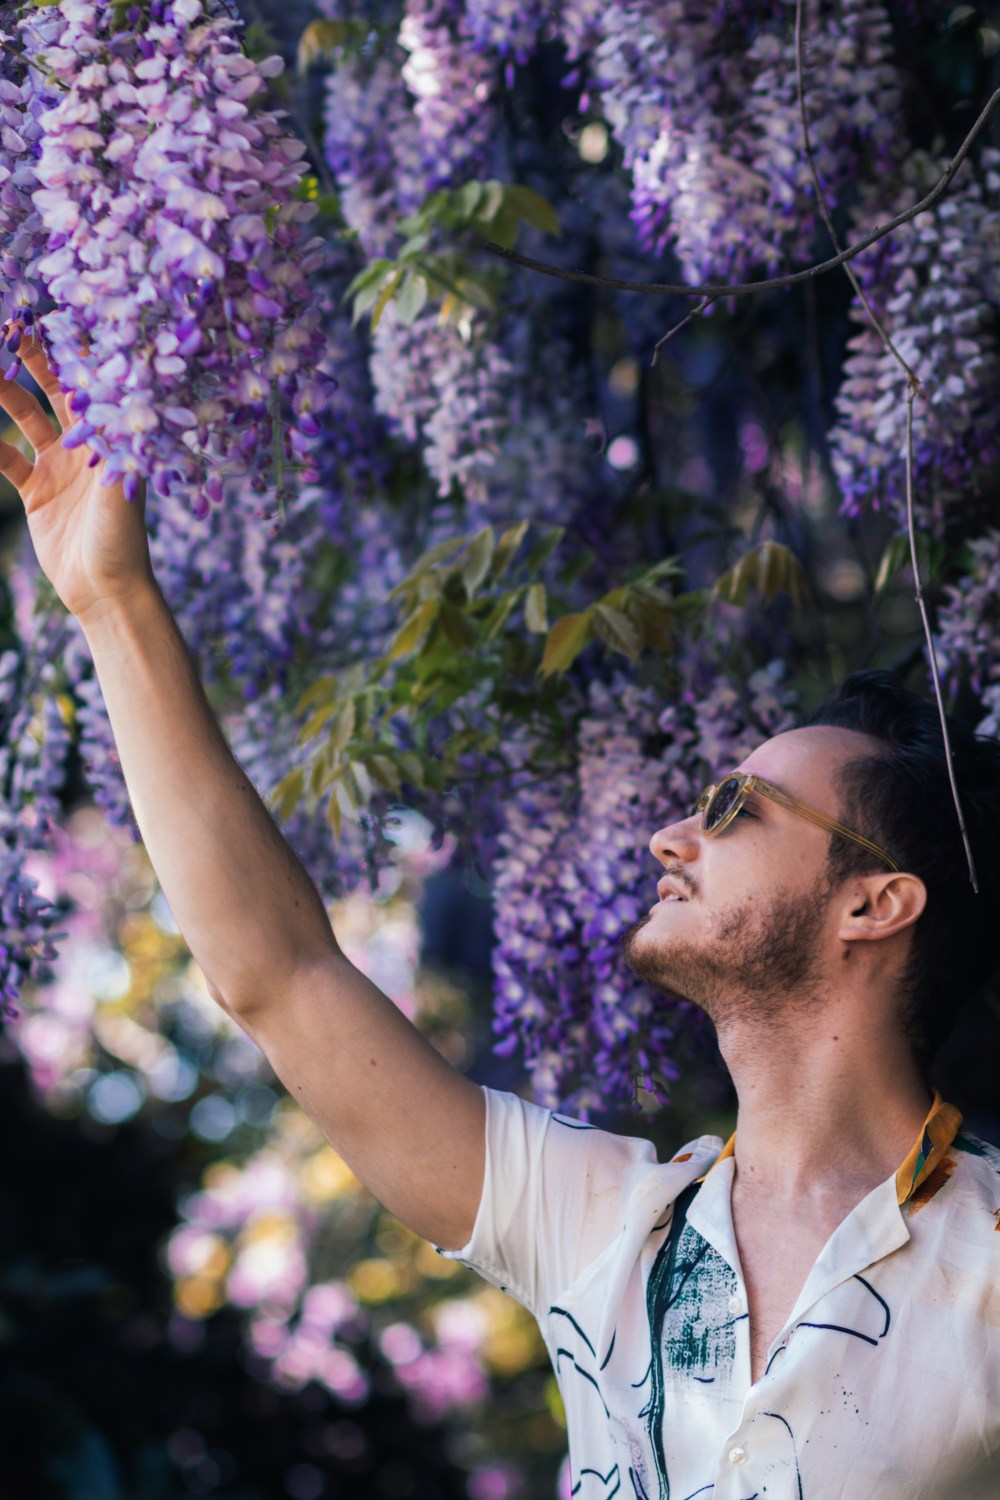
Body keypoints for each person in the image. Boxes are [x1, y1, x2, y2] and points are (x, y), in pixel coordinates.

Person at [1, 328, 998, 1498]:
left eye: (735, 806)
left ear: (876, 903)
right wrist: (111, 601)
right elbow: (280, 979)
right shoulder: (607, 1223)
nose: (666, 834)